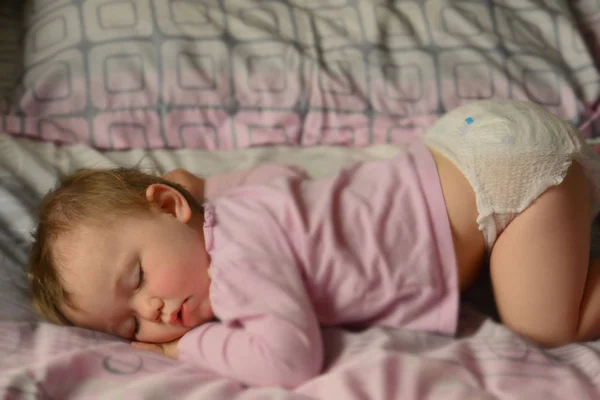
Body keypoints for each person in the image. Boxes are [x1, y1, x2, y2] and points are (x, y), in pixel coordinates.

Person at [27, 100, 600, 388]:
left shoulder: (235, 260)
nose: (152, 312)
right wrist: (201, 185)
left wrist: (182, 351)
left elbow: (289, 358)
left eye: (138, 279)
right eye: (130, 327)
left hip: (500, 182)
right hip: (466, 139)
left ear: (171, 206)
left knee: (545, 328)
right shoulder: (244, 206)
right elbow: (277, 176)